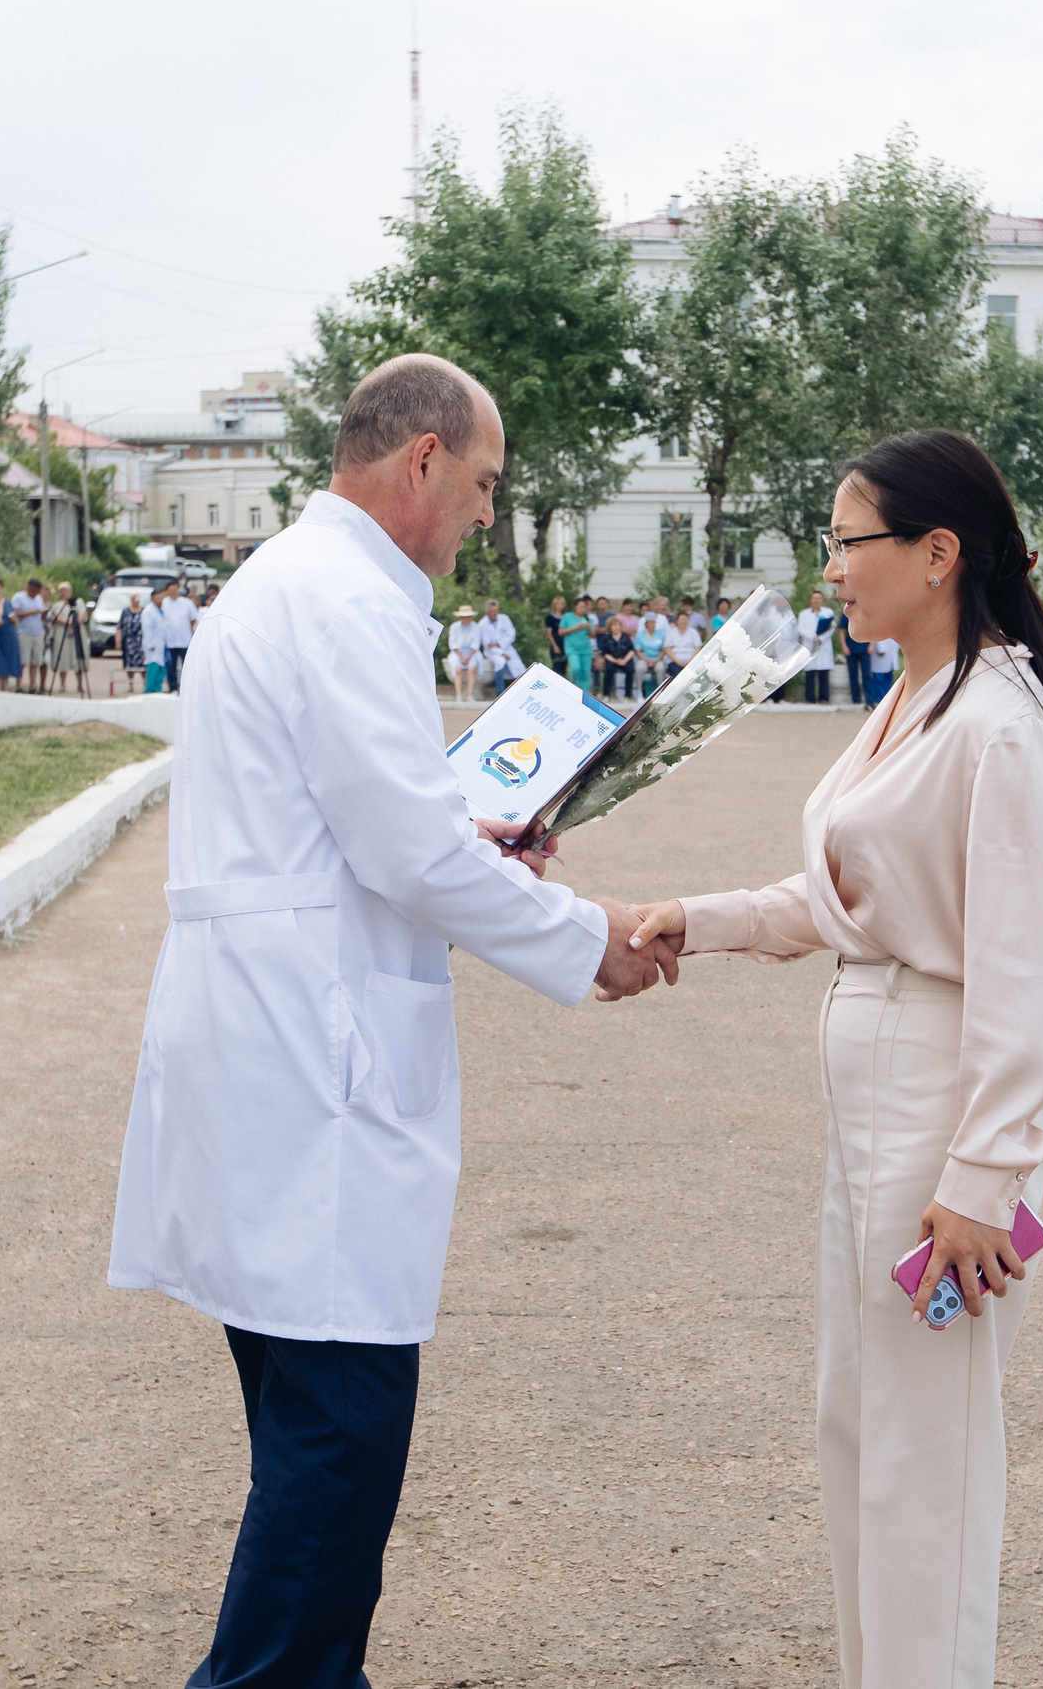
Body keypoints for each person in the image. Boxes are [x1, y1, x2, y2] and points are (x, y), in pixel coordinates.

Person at [109, 354, 673, 1689]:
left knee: (321, 1431)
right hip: (303, 1063)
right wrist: (584, 937)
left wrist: (460, 833)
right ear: (420, 459)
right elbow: (404, 851)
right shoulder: (349, 595)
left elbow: (371, 822)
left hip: (274, 1041)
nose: (486, 516)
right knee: (340, 1443)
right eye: (482, 485)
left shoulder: (303, 584)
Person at [624, 428, 1043, 1689]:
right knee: (860, 1425)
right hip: (875, 1079)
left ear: (937, 555)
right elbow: (846, 899)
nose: (828, 570)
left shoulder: (996, 722)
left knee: (928, 1450)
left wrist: (984, 1176)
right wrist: (699, 922)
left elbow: (1020, 969)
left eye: (844, 543)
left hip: (940, 1098)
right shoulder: (910, 703)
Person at [157, 580, 202, 694]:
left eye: (175, 589)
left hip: (184, 640)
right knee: (171, 666)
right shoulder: (164, 603)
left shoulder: (186, 603)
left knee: (186, 666)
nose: (173, 592)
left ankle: (187, 688)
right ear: (167, 591)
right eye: (171, 590)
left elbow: (193, 619)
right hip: (170, 641)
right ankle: (173, 688)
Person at [49, 581, 91, 698]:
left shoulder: (78, 602)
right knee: (63, 656)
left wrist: (74, 624)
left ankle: (80, 684)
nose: (62, 593)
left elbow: (82, 614)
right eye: (60, 591)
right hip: (63, 631)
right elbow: (57, 617)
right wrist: (69, 624)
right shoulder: (58, 605)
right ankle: (62, 684)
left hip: (78, 631)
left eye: (64, 591)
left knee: (78, 656)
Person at [14, 578, 50, 694]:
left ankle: (32, 686)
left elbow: (41, 615)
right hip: (24, 632)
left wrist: (44, 612)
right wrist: (31, 612)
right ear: (30, 589)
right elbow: (17, 614)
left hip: (38, 632)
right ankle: (18, 685)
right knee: (23, 661)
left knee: (35, 661)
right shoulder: (19, 597)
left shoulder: (39, 599)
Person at [480, 599, 518, 698]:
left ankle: (517, 691)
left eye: (496, 611)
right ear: (487, 612)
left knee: (518, 668)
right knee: (500, 662)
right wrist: (501, 652)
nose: (495, 613)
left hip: (507, 648)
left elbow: (511, 634)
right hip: (492, 652)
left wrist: (499, 644)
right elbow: (487, 644)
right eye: (492, 611)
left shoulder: (504, 618)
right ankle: (500, 691)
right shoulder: (482, 624)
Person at [444, 604, 482, 702]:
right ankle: (459, 695)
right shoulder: (454, 627)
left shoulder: (476, 627)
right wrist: (461, 657)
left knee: (472, 669)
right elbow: (453, 643)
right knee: (457, 670)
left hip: (471, 653)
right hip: (457, 653)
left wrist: (468, 657)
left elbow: (476, 643)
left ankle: (469, 695)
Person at [597, 615, 638, 700]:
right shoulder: (607, 638)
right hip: (612, 659)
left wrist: (624, 660)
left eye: (618, 625)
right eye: (614, 625)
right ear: (610, 627)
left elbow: (631, 650)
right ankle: (606, 694)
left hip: (625, 658)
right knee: (609, 669)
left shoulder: (626, 636)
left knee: (630, 669)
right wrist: (616, 661)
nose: (617, 627)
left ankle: (627, 695)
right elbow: (605, 653)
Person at [560, 597, 595, 689]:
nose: (583, 609)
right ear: (575, 607)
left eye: (585, 607)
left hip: (586, 649)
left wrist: (588, 627)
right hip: (572, 648)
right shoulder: (567, 617)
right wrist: (574, 628)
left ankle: (586, 693)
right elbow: (560, 632)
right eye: (581, 606)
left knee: (585, 672)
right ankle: (576, 689)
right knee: (576, 668)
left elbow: (593, 635)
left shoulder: (587, 618)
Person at [117, 589, 147, 697]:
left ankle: (145, 684)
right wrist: (118, 641)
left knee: (143, 664)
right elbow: (120, 627)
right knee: (129, 664)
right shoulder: (125, 611)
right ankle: (130, 685)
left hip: (141, 642)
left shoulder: (144, 611)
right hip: (128, 642)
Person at [863, 631, 899, 706]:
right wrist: (880, 648)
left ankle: (886, 698)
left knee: (887, 677)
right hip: (880, 652)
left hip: (890, 651)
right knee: (879, 677)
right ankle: (878, 699)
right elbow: (876, 632)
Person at [544, 594, 569, 670]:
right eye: (559, 604)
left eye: (562, 604)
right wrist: (554, 646)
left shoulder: (566, 617)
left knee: (564, 666)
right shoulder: (550, 618)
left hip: (566, 643)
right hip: (556, 642)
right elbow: (549, 633)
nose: (561, 606)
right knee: (557, 665)